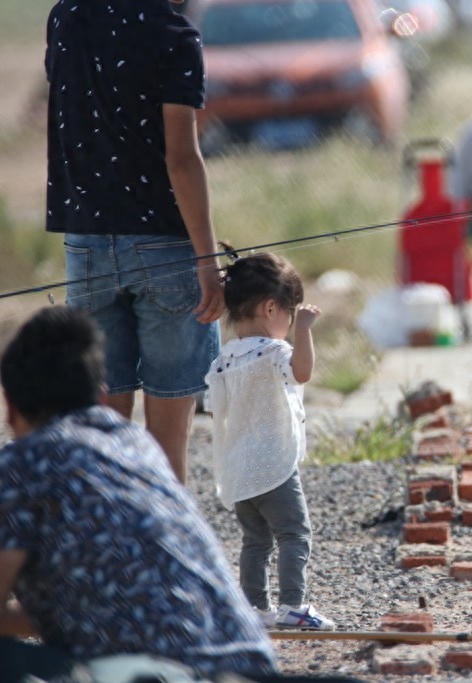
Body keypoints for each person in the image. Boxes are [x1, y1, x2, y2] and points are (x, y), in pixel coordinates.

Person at [0, 306, 277, 680]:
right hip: (251, 668)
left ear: (10, 409)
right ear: (101, 398)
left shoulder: (21, 464)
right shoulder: (135, 443)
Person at [45, 0, 225, 484]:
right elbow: (182, 158)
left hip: (86, 244)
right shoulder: (174, 34)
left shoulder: (67, 17)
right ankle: (164, 551)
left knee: (104, 430)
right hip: (165, 247)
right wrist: (207, 256)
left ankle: (110, 550)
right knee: (168, 442)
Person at [205, 252, 335, 632]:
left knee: (255, 542)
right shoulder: (275, 350)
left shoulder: (223, 360)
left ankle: (255, 609)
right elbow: (303, 373)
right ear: (271, 307)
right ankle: (293, 606)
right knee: (295, 533)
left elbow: (215, 409)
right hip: (274, 465)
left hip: (238, 468)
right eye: (290, 314)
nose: (291, 321)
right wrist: (306, 331)